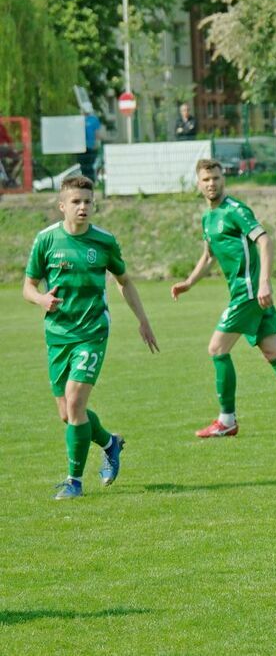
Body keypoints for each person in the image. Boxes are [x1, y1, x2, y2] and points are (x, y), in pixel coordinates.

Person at [23, 175, 159, 499]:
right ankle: (110, 443)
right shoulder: (46, 241)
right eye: (76, 202)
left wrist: (143, 320)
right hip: (57, 334)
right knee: (67, 414)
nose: (82, 207)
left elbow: (123, 281)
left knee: (75, 402)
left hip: (93, 331)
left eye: (87, 201)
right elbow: (28, 286)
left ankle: (74, 482)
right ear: (62, 206)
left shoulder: (104, 241)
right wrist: (41, 299)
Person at [170, 159, 276, 438]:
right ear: (198, 183)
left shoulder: (236, 210)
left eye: (216, 178)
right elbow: (209, 256)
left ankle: (226, 420)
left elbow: (264, 241)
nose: (211, 183)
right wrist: (189, 282)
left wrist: (264, 282)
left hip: (249, 290)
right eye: (206, 179)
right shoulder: (208, 217)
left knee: (217, 349)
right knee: (273, 352)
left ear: (223, 179)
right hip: (248, 291)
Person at [77, 109, 104, 183]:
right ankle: (85, 180)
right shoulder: (79, 119)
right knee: (83, 165)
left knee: (89, 165)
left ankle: (90, 181)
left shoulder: (93, 119)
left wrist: (97, 143)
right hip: (81, 146)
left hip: (90, 146)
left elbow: (97, 132)